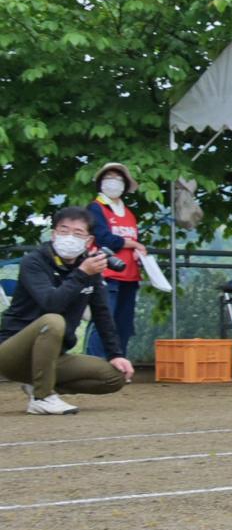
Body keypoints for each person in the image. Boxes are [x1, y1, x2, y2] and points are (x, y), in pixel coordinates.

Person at [0, 207, 134, 414]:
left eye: (78, 233)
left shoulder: (89, 267)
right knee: (53, 320)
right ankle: (42, 397)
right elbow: (51, 303)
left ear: (89, 241)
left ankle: (39, 383)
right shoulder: (34, 262)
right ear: (54, 234)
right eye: (64, 231)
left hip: (53, 357)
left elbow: (102, 313)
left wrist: (115, 354)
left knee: (114, 377)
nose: (69, 237)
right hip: (11, 353)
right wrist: (82, 273)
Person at [84, 161, 144, 359]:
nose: (114, 183)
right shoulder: (95, 208)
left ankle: (118, 364)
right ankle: (94, 363)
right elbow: (104, 239)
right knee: (103, 320)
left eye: (118, 179)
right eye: (109, 178)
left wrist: (137, 249)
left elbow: (132, 240)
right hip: (106, 272)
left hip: (129, 275)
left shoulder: (129, 214)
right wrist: (133, 244)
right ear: (101, 182)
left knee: (123, 324)